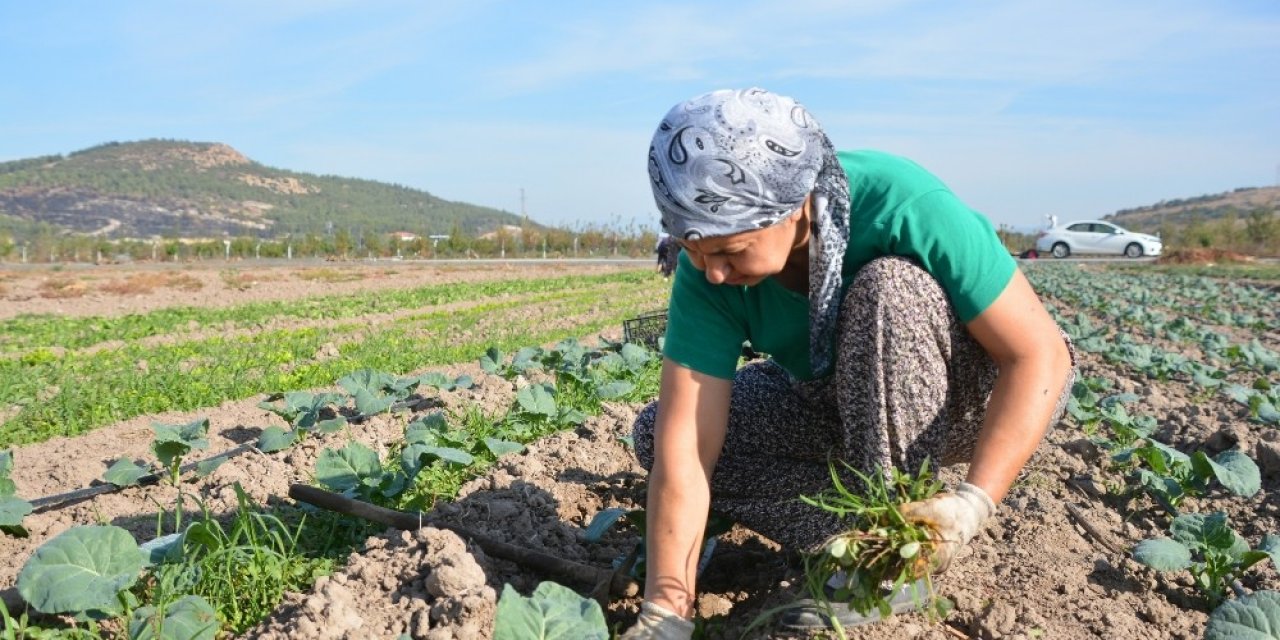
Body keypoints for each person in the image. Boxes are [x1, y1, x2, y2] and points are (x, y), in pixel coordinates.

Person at [620, 88, 1075, 638]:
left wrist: (974, 502)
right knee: (656, 434)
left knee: (888, 290)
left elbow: (1038, 356)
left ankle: (891, 566)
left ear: (792, 207)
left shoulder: (901, 201)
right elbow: (688, 447)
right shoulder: (708, 269)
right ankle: (865, 537)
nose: (711, 271)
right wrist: (667, 612)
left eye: (728, 251)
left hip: (971, 396)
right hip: (835, 394)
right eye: (693, 249)